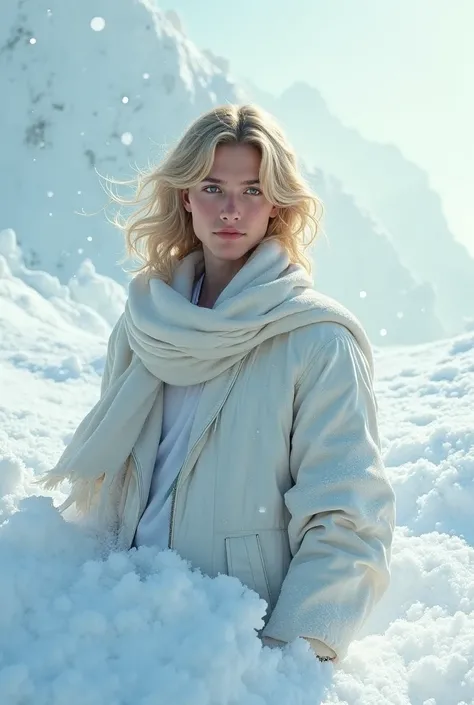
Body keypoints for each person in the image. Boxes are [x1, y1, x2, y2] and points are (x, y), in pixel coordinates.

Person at [40, 104, 395, 664]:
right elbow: (118, 482)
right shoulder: (143, 324)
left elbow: (349, 519)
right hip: (123, 618)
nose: (231, 210)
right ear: (185, 196)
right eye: (212, 187)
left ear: (276, 203)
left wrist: (286, 658)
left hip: (231, 642)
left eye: (252, 190)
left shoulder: (316, 339)